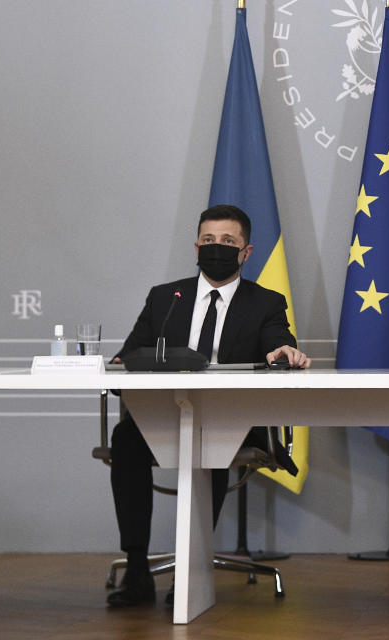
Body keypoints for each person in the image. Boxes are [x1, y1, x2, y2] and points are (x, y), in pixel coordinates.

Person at [106, 204, 311, 607]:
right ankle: (136, 569)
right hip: (165, 416)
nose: (216, 248)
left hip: (231, 422)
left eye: (228, 242)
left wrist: (283, 351)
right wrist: (121, 363)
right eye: (209, 241)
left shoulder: (264, 302)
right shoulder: (167, 297)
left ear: (246, 252)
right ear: (197, 246)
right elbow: (129, 356)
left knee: (211, 442)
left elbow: (276, 342)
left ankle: (191, 570)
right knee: (126, 438)